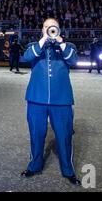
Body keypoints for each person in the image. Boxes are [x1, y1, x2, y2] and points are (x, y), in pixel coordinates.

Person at [21, 18, 80, 186]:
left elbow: (74, 61)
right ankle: (34, 166)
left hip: (61, 100)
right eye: (46, 27)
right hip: (36, 98)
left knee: (65, 137)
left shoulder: (67, 46)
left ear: (59, 29)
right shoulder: (35, 45)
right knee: (36, 135)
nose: (49, 30)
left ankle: (68, 170)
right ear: (42, 29)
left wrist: (61, 43)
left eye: (53, 27)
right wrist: (42, 41)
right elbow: (26, 57)